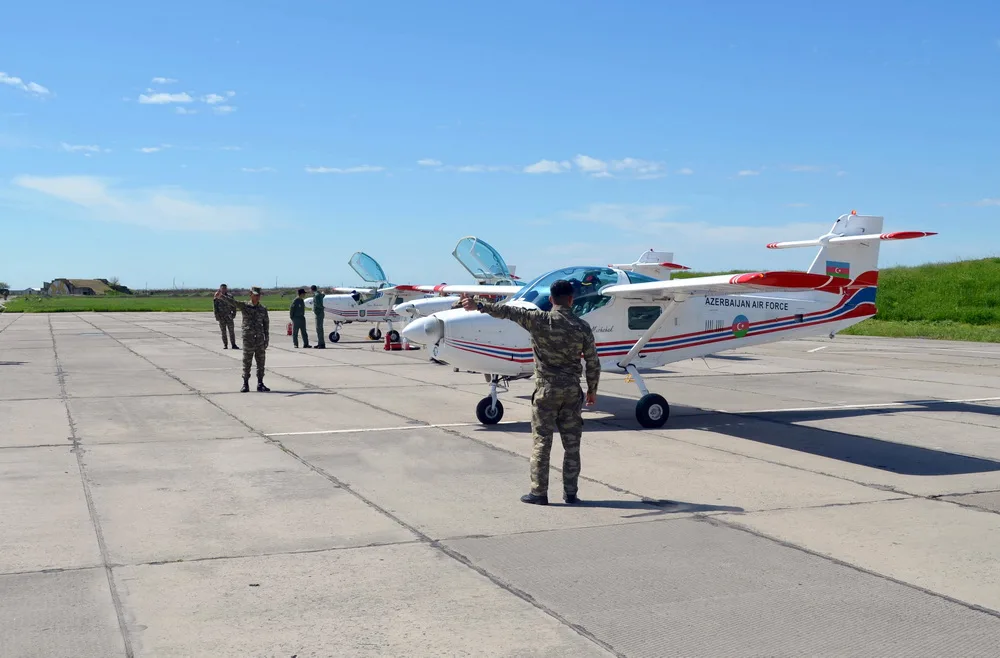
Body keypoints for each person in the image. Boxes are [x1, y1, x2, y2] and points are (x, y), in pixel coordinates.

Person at [460, 279, 600, 506]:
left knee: (542, 442)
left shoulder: (539, 320)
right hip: (572, 391)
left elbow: (507, 311)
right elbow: (593, 361)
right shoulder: (582, 327)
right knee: (572, 445)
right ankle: (571, 493)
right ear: (572, 300)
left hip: (546, 389)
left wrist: (478, 305)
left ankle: (539, 493)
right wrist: (592, 390)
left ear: (551, 300)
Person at [215, 286, 270, 392]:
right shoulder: (245, 306)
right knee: (247, 361)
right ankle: (245, 384)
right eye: (255, 295)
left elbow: (266, 324)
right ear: (250, 294)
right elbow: (233, 302)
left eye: (258, 295)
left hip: (259, 339)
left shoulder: (263, 309)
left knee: (261, 362)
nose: (257, 297)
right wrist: (221, 296)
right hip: (248, 339)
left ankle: (260, 383)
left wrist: (266, 339)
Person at [213, 284, 239, 349]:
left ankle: (233, 344)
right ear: (220, 289)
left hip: (229, 316)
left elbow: (234, 305)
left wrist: (233, 314)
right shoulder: (217, 297)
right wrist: (217, 316)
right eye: (222, 288)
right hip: (221, 317)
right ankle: (225, 345)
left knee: (231, 331)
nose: (224, 289)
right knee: (223, 332)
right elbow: (215, 307)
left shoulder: (230, 296)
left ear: (226, 289)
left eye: (225, 288)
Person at [311, 285, 326, 349]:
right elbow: (323, 295)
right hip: (320, 313)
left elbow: (318, 304)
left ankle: (321, 344)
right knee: (320, 328)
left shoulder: (316, 295)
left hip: (318, 313)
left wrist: (322, 307)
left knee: (319, 329)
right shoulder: (319, 294)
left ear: (311, 290)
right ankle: (320, 343)